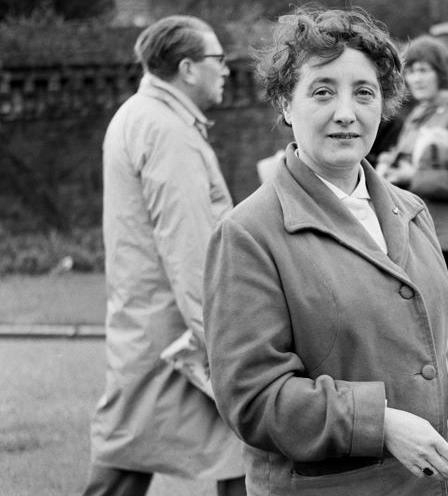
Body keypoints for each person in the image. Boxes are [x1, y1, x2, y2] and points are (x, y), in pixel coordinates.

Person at [202, 7, 448, 496]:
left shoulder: (410, 208)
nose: (346, 112)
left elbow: (420, 327)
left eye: (364, 92)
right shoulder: (247, 233)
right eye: (323, 91)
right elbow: (253, 397)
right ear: (287, 104)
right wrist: (381, 424)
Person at [82, 15, 245, 496]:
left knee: (134, 455)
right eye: (219, 60)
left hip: (156, 329)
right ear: (189, 68)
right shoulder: (165, 129)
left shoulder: (146, 116)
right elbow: (191, 246)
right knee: (233, 452)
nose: (227, 70)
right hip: (177, 337)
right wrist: (222, 341)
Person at [376, 34, 448, 288]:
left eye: (424, 70)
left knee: (430, 315)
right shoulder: (417, 116)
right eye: (412, 71)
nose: (416, 78)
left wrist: (412, 178)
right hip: (418, 234)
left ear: (441, 73)